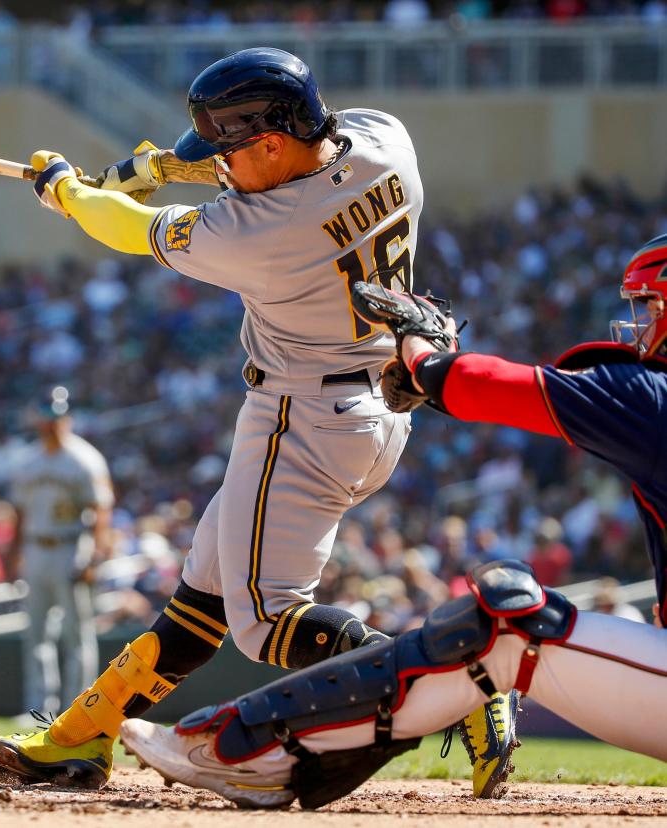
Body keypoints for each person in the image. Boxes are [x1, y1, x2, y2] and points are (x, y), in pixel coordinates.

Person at [0, 47, 514, 797]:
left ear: (269, 141)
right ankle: (82, 734)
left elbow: (131, 231)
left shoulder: (258, 234)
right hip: (378, 404)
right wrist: (164, 167)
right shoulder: (387, 140)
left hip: (302, 415)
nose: (220, 164)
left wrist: (68, 190)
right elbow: (291, 162)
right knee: (206, 594)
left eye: (230, 149)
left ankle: (458, 681)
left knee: (262, 623)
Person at [117, 234, 667, 810]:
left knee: (507, 620)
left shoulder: (654, 399)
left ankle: (246, 747)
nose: (640, 324)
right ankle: (261, 749)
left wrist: (425, 356)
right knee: (489, 643)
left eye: (653, 307)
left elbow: (491, 389)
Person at [9, 387, 114, 716]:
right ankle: (38, 709)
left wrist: (95, 555)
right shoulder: (29, 461)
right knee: (36, 634)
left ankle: (77, 708)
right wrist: (13, 552)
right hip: (36, 546)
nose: (51, 424)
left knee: (77, 634)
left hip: (71, 546)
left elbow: (102, 511)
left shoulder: (84, 459)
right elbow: (20, 513)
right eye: (46, 417)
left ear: (66, 418)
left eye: (56, 417)